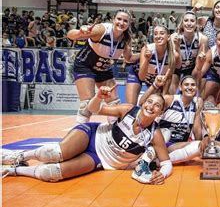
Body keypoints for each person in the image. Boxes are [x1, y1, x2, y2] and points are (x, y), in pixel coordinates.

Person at [2, 87, 172, 185]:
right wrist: (98, 97)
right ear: (143, 102)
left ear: (160, 112)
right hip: (92, 135)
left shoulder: (155, 134)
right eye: (149, 102)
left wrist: (161, 175)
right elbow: (95, 109)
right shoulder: (127, 110)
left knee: (51, 173)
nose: (151, 106)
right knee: (53, 153)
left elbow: (166, 164)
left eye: (157, 105)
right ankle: (18, 156)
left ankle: (14, 170)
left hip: (100, 159)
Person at [67, 9, 139, 124]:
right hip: (85, 66)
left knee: (114, 104)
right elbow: (70, 35)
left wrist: (146, 53)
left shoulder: (126, 39)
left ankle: (113, 133)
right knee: (86, 105)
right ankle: (80, 133)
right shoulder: (101, 30)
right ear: (113, 19)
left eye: (125, 21)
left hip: (104, 69)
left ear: (129, 24)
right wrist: (81, 32)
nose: (121, 23)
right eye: (119, 19)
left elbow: (129, 58)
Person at [139, 75, 204, 164]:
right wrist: (155, 85)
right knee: (196, 146)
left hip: (178, 145)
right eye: (186, 85)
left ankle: (159, 160)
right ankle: (161, 159)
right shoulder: (170, 99)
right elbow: (142, 103)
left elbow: (197, 129)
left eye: (193, 85)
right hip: (162, 142)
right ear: (180, 87)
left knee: (200, 145)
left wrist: (201, 146)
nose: (190, 87)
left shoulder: (197, 103)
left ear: (196, 88)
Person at [126, 25, 179, 104]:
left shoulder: (174, 55)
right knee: (131, 107)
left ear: (168, 37)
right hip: (139, 74)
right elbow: (142, 77)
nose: (158, 36)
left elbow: (169, 77)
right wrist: (147, 59)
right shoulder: (147, 49)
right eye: (155, 34)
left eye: (161, 33)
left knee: (162, 103)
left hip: (157, 78)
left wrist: (163, 98)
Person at [170, 11, 209, 94]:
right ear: (182, 23)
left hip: (194, 67)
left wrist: (193, 79)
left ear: (196, 24)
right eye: (186, 20)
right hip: (177, 68)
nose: (189, 23)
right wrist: (177, 47)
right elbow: (177, 65)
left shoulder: (202, 39)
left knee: (195, 93)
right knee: (171, 91)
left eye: (192, 21)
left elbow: (198, 66)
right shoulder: (174, 37)